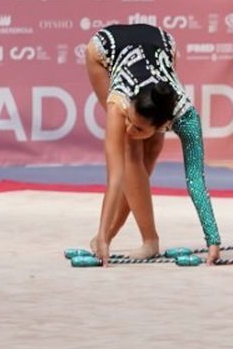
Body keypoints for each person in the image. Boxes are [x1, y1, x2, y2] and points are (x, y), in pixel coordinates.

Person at [84, 23, 222, 266]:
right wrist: (105, 235)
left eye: (137, 127)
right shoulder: (120, 103)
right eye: (130, 121)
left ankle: (122, 237)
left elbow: (196, 181)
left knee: (152, 150)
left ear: (163, 126)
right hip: (105, 49)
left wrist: (213, 239)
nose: (129, 127)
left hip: (163, 45)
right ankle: (148, 239)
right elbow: (115, 177)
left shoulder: (187, 119)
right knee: (129, 151)